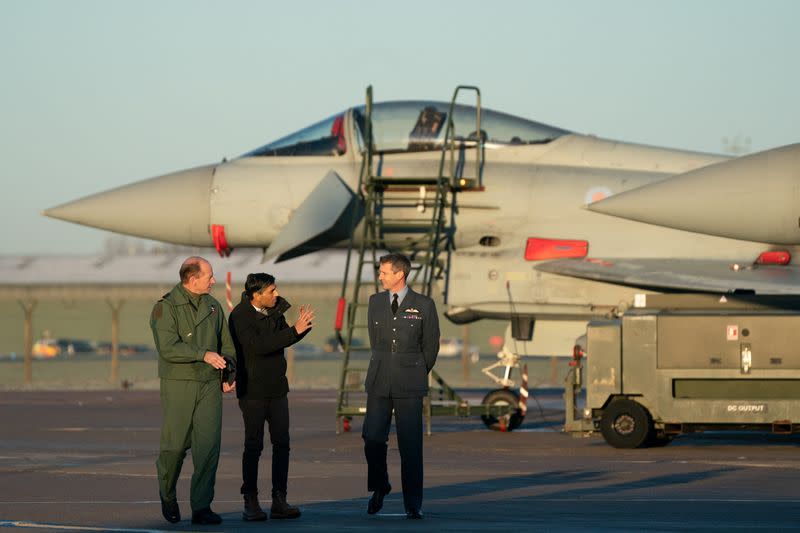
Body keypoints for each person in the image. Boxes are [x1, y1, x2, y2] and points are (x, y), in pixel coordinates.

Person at [150, 256, 236, 526]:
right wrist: (203, 354)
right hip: (180, 384)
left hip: (210, 384)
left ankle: (201, 506)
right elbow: (168, 347)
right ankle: (167, 493)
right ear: (192, 278)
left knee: (208, 447)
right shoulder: (165, 308)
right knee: (174, 448)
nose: (213, 280)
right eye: (209, 276)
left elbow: (227, 345)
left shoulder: (213, 306)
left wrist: (228, 372)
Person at [228, 273, 315, 521]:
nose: (276, 295)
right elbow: (258, 346)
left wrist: (301, 328)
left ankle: (279, 499)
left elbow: (283, 339)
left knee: (282, 444)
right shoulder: (239, 316)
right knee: (253, 446)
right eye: (272, 291)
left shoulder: (274, 310)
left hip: (277, 389)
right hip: (253, 391)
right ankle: (250, 500)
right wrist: (292, 332)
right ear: (257, 295)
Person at [363, 253, 440, 519]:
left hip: (410, 384)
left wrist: (415, 370)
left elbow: (430, 346)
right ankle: (380, 485)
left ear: (400, 274)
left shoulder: (424, 304)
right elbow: (376, 342)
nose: (380, 276)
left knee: (410, 446)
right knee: (372, 438)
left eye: (384, 272)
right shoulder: (374, 302)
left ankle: (413, 503)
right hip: (379, 381)